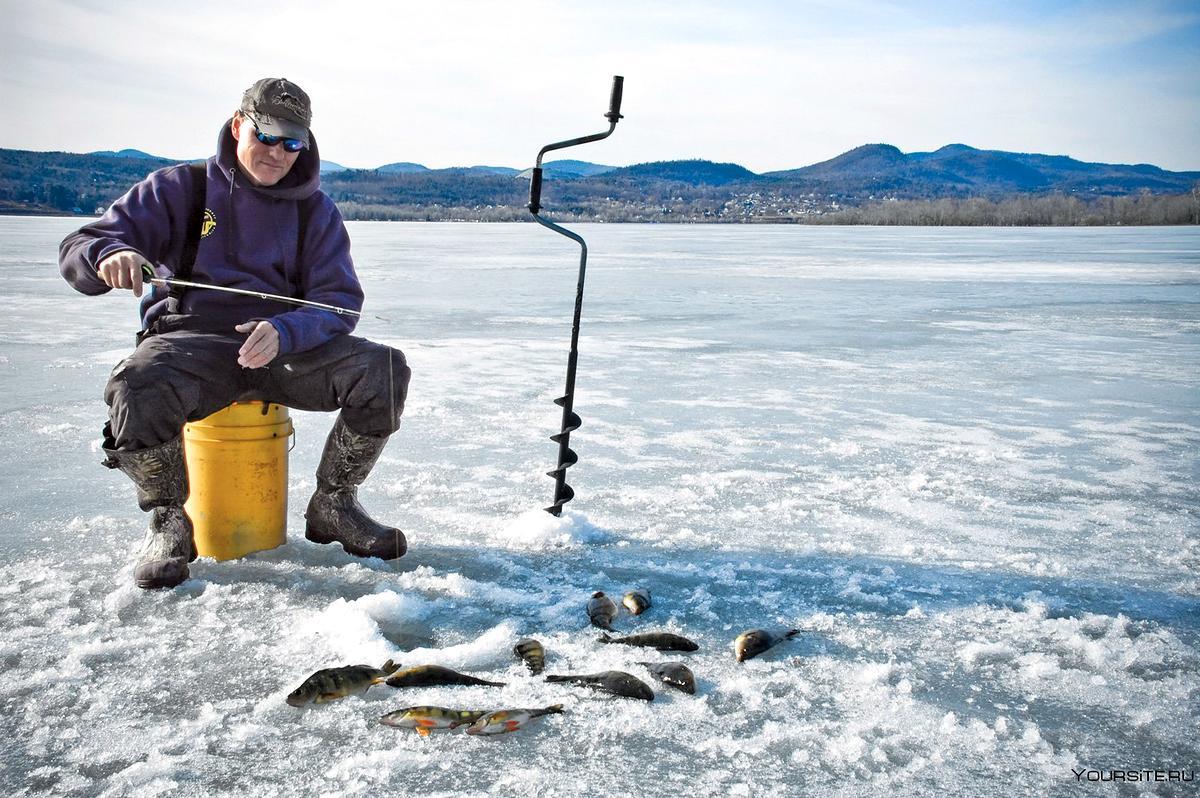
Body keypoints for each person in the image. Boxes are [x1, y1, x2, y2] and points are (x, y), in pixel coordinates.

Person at [59, 77, 411, 590]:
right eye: (266, 136)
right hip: (193, 342)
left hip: (286, 349)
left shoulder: (316, 210)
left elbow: (338, 303)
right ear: (237, 125)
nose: (278, 152)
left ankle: (334, 504)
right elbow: (83, 242)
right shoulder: (181, 188)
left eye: (293, 143)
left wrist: (286, 330)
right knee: (136, 382)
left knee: (381, 368)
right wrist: (108, 255)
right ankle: (167, 521)